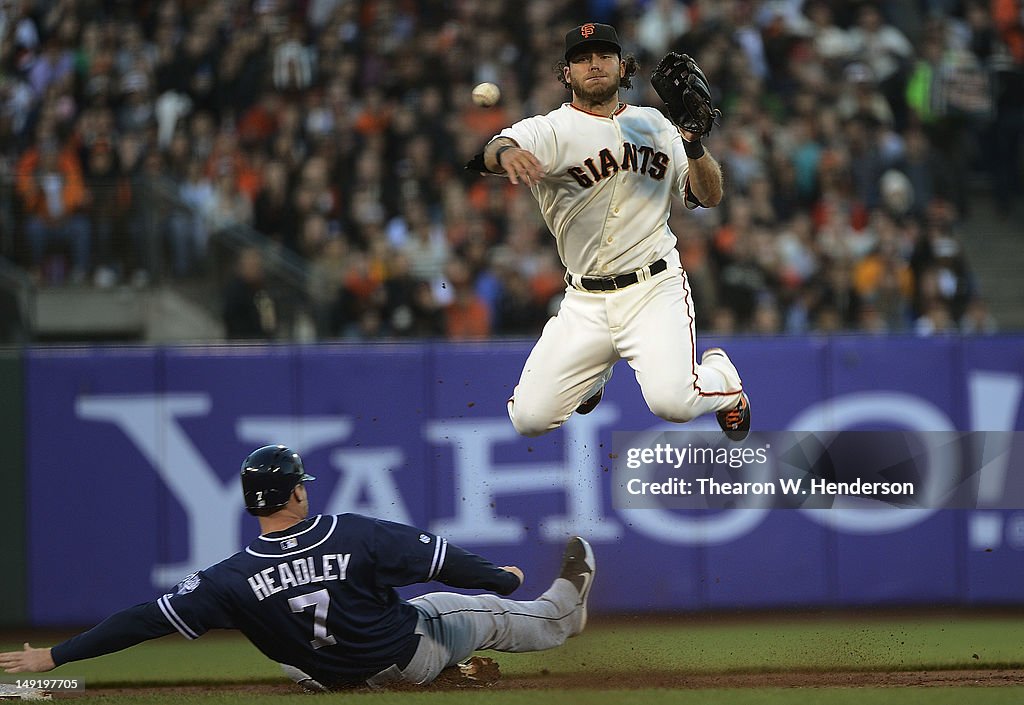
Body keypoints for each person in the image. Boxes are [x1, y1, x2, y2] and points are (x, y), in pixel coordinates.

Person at [0, 445, 595, 690]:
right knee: (468, 612)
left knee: (296, 645)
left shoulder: (228, 579)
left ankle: (456, 672)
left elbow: (140, 621)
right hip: (403, 659)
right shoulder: (351, 532)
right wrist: (501, 579)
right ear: (295, 495)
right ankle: (566, 608)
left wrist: (52, 659)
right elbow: (441, 560)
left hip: (325, 678)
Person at [475, 23, 750, 440]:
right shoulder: (552, 130)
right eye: (582, 58)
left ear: (623, 67)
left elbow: (708, 196)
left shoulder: (656, 125)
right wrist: (507, 152)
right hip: (585, 300)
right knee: (528, 419)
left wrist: (694, 144)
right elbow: (496, 148)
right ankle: (594, 373)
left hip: (652, 290)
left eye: (603, 56)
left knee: (673, 403)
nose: (594, 65)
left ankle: (725, 382)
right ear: (566, 73)